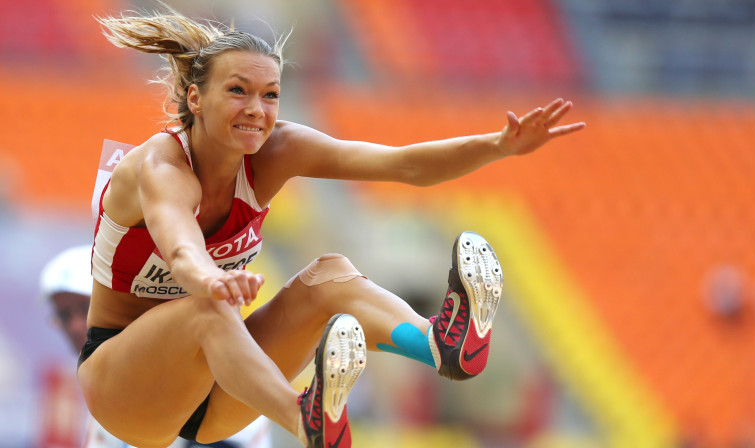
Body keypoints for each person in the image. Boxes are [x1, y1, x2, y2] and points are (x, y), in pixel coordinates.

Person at [79, 9, 586, 448]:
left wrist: (498, 146)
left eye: (270, 95)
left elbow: (404, 165)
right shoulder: (162, 165)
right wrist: (209, 279)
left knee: (331, 276)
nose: (257, 110)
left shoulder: (278, 149)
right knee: (207, 309)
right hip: (123, 388)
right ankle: (306, 418)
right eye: (237, 91)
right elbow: (179, 241)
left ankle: (440, 346)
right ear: (194, 98)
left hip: (216, 395)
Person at [40, 245, 272, 448]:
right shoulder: (96, 385)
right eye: (64, 315)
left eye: (85, 307)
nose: (75, 326)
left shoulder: (203, 365)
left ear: (119, 302)